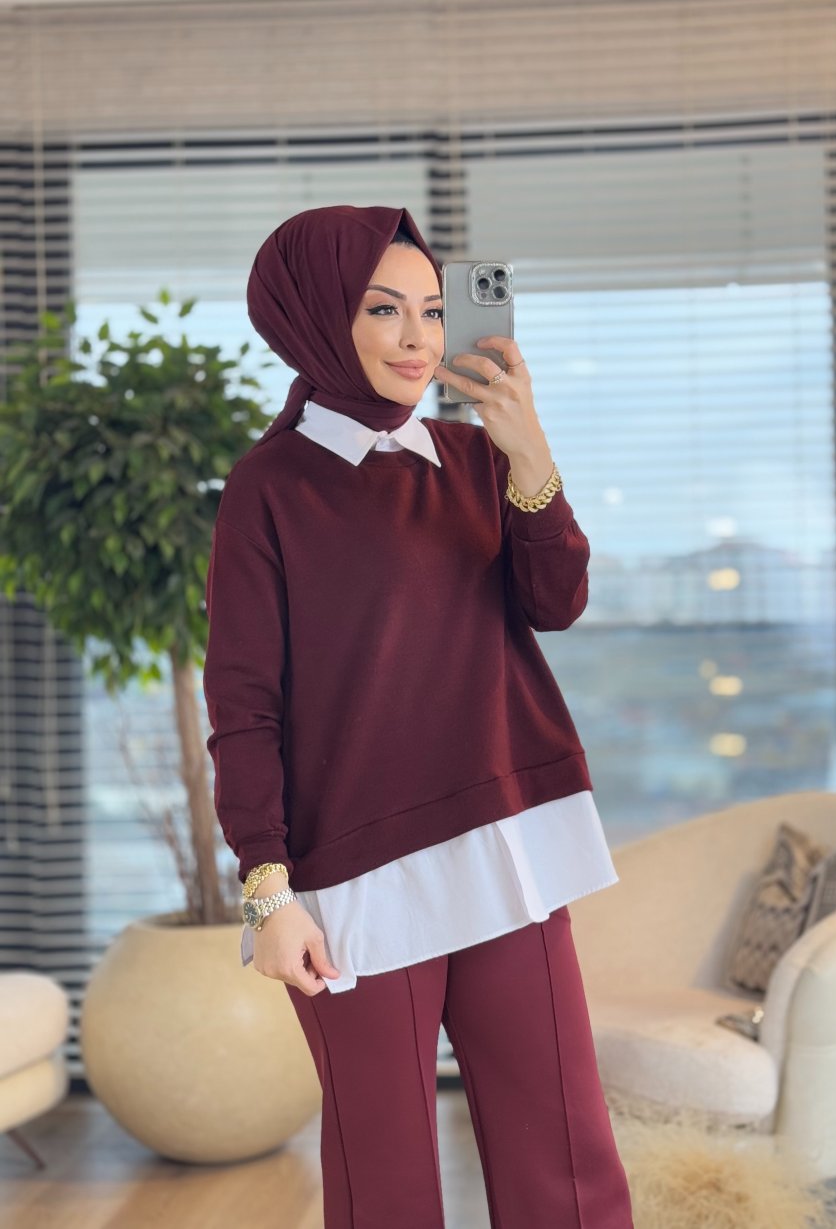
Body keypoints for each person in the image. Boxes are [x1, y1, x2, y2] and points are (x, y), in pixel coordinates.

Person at [203, 204, 635, 1228]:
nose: (418, 338)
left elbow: (558, 601)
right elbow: (243, 703)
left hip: (507, 843)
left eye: (434, 310)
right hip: (354, 877)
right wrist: (268, 891)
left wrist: (529, 453)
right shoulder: (269, 487)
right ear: (316, 317)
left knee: (567, 1162)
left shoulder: (476, 458)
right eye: (383, 309)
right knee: (384, 1180)